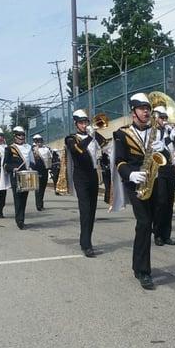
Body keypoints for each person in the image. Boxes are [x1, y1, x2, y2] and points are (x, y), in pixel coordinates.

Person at [111, 93, 167, 289]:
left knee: (148, 224)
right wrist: (131, 175)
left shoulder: (157, 131)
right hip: (135, 183)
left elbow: (164, 156)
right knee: (144, 222)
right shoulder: (122, 134)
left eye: (147, 108)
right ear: (133, 112)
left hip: (153, 180)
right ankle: (144, 271)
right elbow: (119, 161)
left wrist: (164, 148)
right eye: (142, 108)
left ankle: (137, 264)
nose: (146, 111)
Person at [65, 110, 108, 257]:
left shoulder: (94, 136)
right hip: (80, 177)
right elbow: (78, 150)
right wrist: (90, 136)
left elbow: (107, 145)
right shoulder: (71, 138)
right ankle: (86, 244)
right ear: (76, 123)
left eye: (86, 122)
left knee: (92, 211)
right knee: (85, 210)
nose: (84, 125)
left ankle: (87, 240)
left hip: (93, 175)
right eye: (81, 122)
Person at [151, 106, 175, 246]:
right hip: (158, 169)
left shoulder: (169, 132)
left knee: (169, 203)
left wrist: (174, 135)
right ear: (156, 118)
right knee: (160, 202)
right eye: (162, 117)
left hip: (170, 169)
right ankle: (158, 234)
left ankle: (167, 235)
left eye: (166, 118)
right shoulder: (152, 132)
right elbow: (155, 150)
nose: (164, 120)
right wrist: (165, 144)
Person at [4, 126, 34, 229]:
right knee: (17, 199)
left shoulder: (28, 147)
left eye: (23, 135)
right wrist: (13, 168)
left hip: (26, 176)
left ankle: (22, 219)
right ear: (15, 136)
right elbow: (5, 165)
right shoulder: (9, 149)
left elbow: (32, 162)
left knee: (24, 199)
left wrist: (31, 167)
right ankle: (19, 220)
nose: (21, 137)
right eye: (19, 135)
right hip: (16, 176)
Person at [31, 134, 52, 211]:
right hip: (37, 171)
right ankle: (38, 205)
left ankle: (41, 203)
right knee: (38, 189)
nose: (39, 142)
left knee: (43, 188)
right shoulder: (32, 150)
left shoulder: (46, 149)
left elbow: (50, 159)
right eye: (37, 141)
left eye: (40, 141)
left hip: (45, 170)